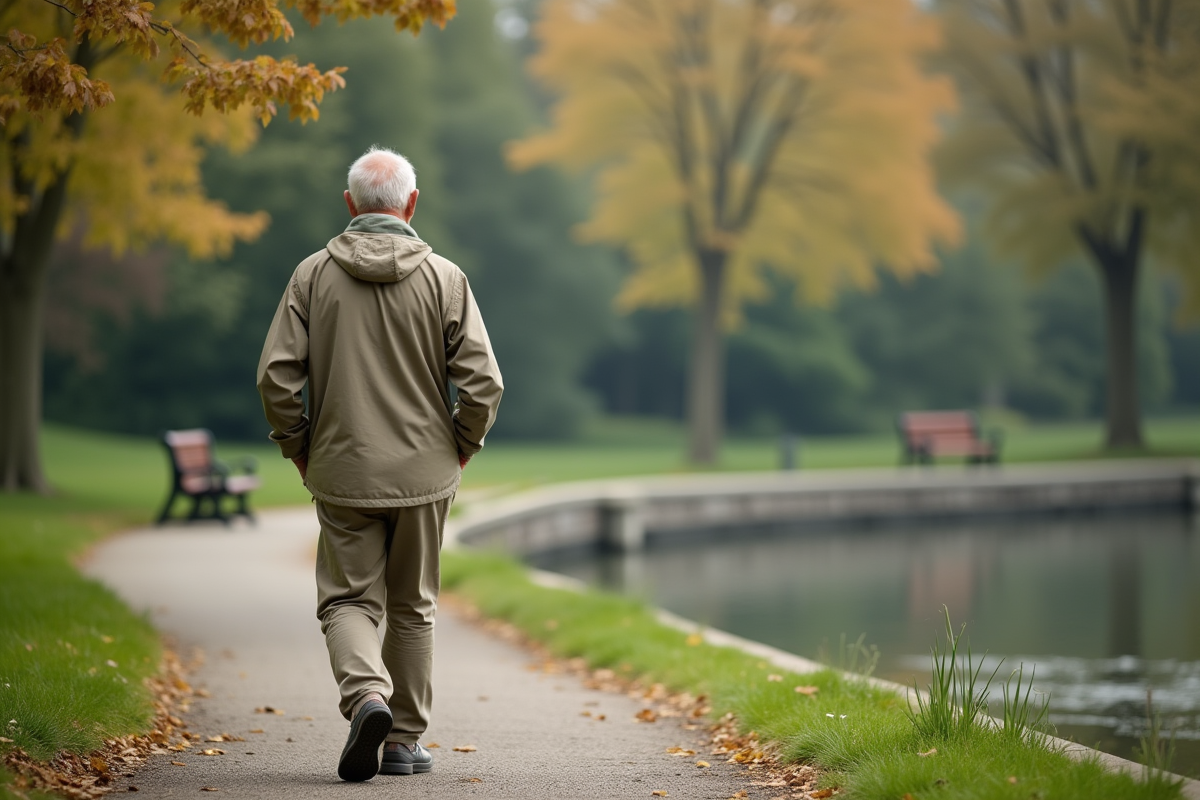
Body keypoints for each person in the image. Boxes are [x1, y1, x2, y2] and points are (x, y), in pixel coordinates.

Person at [256, 146, 503, 782]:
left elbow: (276, 377)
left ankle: (366, 694)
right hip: (425, 474)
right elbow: (483, 384)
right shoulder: (446, 278)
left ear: (350, 204)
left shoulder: (312, 275)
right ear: (411, 204)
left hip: (342, 469)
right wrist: (462, 445)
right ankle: (402, 742)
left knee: (347, 600)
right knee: (412, 605)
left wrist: (299, 445)